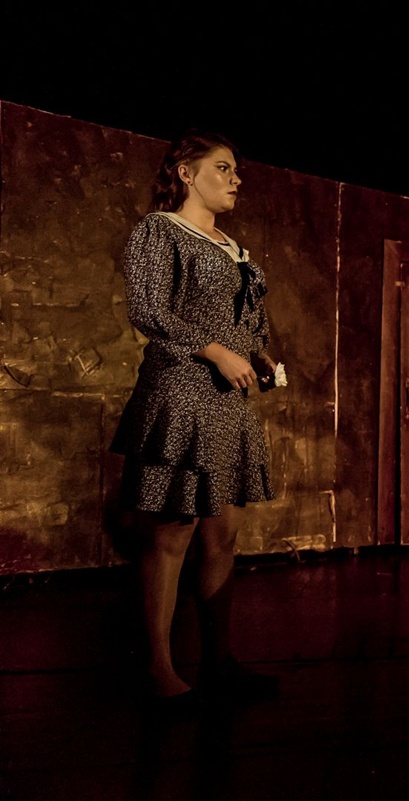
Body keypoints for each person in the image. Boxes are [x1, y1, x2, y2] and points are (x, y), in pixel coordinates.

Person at [110, 130, 284, 712]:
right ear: (186, 173)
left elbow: (248, 324)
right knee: (172, 532)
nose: (236, 179)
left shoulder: (236, 250)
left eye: (236, 170)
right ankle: (157, 670)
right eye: (223, 168)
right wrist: (214, 351)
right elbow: (148, 310)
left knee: (222, 535)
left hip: (228, 403)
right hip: (180, 394)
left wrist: (259, 357)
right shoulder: (159, 231)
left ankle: (219, 662)